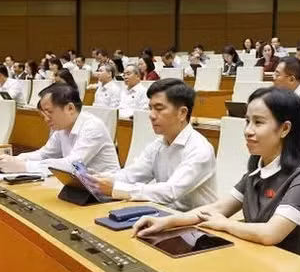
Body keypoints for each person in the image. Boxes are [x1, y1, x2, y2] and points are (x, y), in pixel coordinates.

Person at [133, 87, 300, 266]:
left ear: (285, 129)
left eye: (258, 123)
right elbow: (217, 208)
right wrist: (167, 222)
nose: (248, 131)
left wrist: (226, 224)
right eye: (247, 121)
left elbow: (271, 233)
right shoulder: (257, 169)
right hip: (264, 262)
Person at [87, 79, 217, 212]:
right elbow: (130, 175)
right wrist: (97, 179)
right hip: (164, 215)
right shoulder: (158, 144)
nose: (151, 115)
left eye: (159, 109)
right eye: (151, 108)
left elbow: (170, 192)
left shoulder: (200, 149)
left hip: (198, 225)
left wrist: (115, 188)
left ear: (182, 113)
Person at [0, 84, 120, 175]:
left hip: (104, 192)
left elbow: (72, 166)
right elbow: (43, 154)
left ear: (70, 108)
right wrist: (16, 159)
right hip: (78, 188)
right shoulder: (62, 128)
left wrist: (25, 166)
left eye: (49, 112)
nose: (46, 119)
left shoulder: (92, 127)